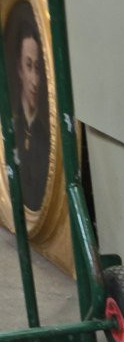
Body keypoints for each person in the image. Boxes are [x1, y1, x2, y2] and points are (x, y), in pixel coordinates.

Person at [11, 15, 50, 211]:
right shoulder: (10, 126)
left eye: (38, 68)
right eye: (28, 66)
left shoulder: (45, 137)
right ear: (19, 69)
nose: (35, 80)